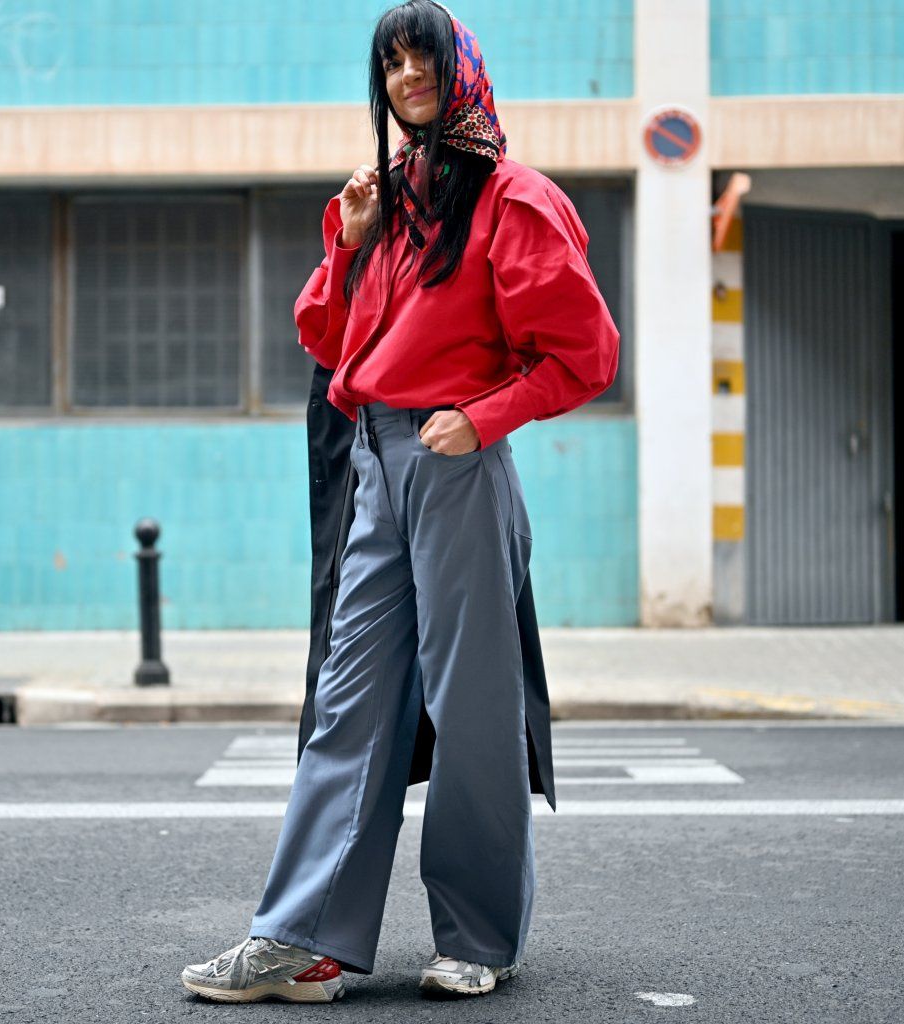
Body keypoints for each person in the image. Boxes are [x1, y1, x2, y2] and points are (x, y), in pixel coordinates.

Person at [181, 0, 619, 1004]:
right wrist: (350, 240)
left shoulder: (515, 201)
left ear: (462, 69)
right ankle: (300, 938)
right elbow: (328, 337)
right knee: (350, 700)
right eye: (391, 64)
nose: (407, 76)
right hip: (376, 461)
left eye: (423, 58)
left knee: (472, 707)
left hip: (455, 462)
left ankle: (480, 935)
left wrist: (485, 415)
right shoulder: (389, 198)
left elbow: (586, 355)